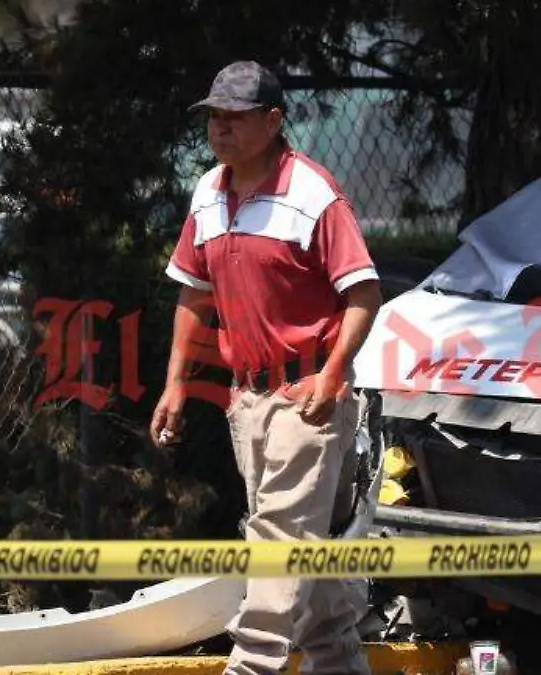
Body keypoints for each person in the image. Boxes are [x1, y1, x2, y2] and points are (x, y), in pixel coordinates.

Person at [150, 60, 382, 675]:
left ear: (274, 121)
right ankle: (340, 665)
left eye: (235, 117)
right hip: (247, 401)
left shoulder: (313, 194)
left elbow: (364, 293)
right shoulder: (208, 192)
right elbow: (194, 295)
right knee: (307, 554)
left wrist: (333, 373)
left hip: (308, 398)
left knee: (278, 542)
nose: (219, 129)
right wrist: (175, 384)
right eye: (213, 117)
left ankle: (250, 664)